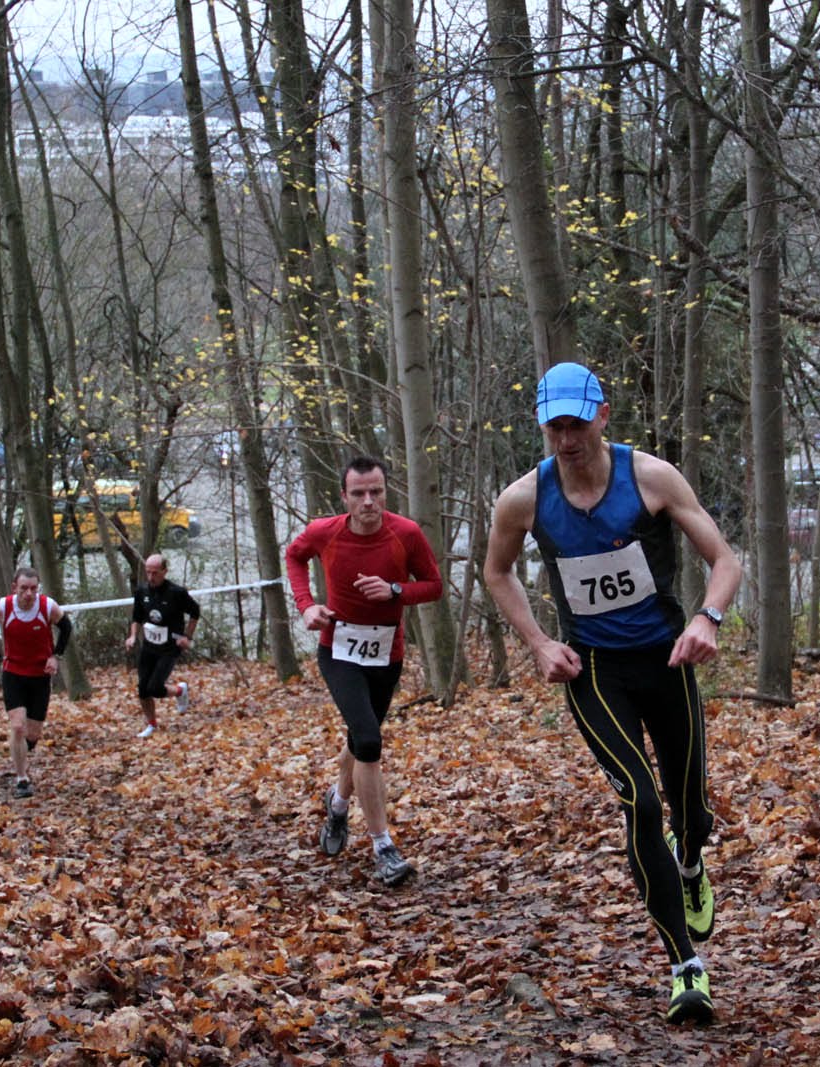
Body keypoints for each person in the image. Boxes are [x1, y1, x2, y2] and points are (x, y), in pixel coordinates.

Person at [483, 361, 742, 1025]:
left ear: (603, 415)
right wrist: (540, 642)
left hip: (667, 658)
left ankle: (690, 862)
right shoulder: (524, 498)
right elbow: (497, 571)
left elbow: (725, 559)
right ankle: (685, 965)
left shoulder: (651, 477)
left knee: (691, 811)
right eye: (555, 427)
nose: (567, 439)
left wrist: (707, 619)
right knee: (640, 800)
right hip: (593, 671)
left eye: (577, 423)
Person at [285, 456, 445, 886]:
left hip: (386, 656)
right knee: (370, 740)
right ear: (344, 497)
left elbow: (433, 586)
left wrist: (395, 590)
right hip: (338, 652)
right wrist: (307, 606)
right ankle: (383, 848)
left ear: (386, 492)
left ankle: (338, 805)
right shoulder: (324, 531)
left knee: (360, 739)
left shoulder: (406, 533)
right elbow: (294, 557)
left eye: (376, 491)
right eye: (359, 493)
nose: (369, 501)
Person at [0, 566, 73, 799]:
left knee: (32, 734)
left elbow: (66, 627)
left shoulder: (47, 606)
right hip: (13, 674)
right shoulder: (4, 607)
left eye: (33, 588)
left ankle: (20, 752)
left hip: (40, 676)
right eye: (24, 588)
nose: (29, 594)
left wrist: (55, 656)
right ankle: (21, 779)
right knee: (17, 726)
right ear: (14, 587)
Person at [124, 553, 200, 738]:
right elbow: (136, 617)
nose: (151, 577)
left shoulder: (177, 592)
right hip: (149, 646)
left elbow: (195, 612)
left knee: (156, 688)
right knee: (143, 689)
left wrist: (187, 637)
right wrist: (132, 636)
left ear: (164, 571)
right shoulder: (142, 591)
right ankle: (151, 724)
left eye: (155, 573)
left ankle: (180, 690)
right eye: (148, 572)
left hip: (170, 647)